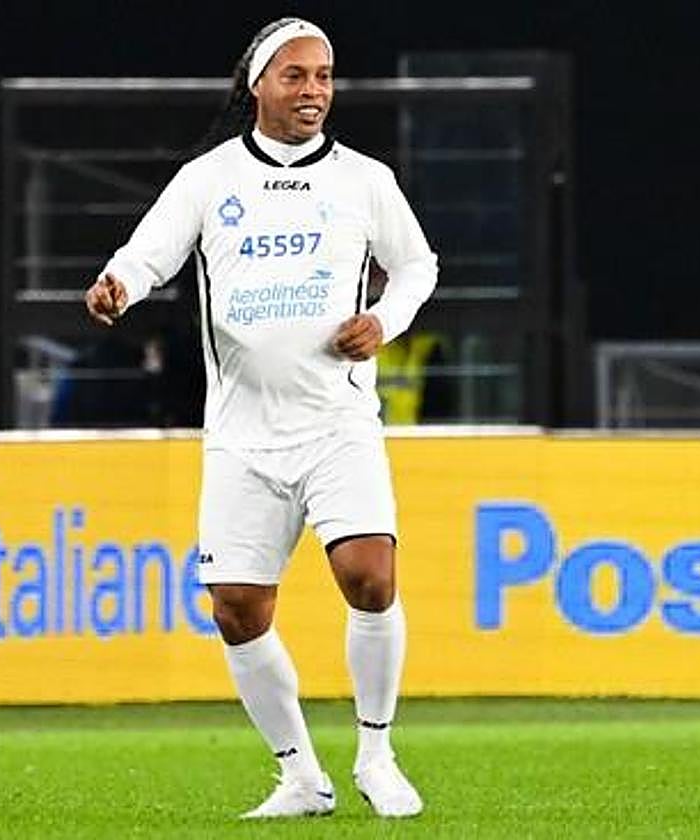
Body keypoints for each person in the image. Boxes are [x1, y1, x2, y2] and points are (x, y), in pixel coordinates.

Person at [84, 18, 436, 820]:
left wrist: (384, 319)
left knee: (370, 576)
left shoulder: (365, 179)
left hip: (338, 422)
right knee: (238, 610)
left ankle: (377, 755)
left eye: (324, 76)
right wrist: (117, 286)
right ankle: (301, 777)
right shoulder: (209, 179)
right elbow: (148, 254)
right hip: (243, 435)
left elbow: (419, 264)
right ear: (258, 85)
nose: (313, 91)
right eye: (296, 76)